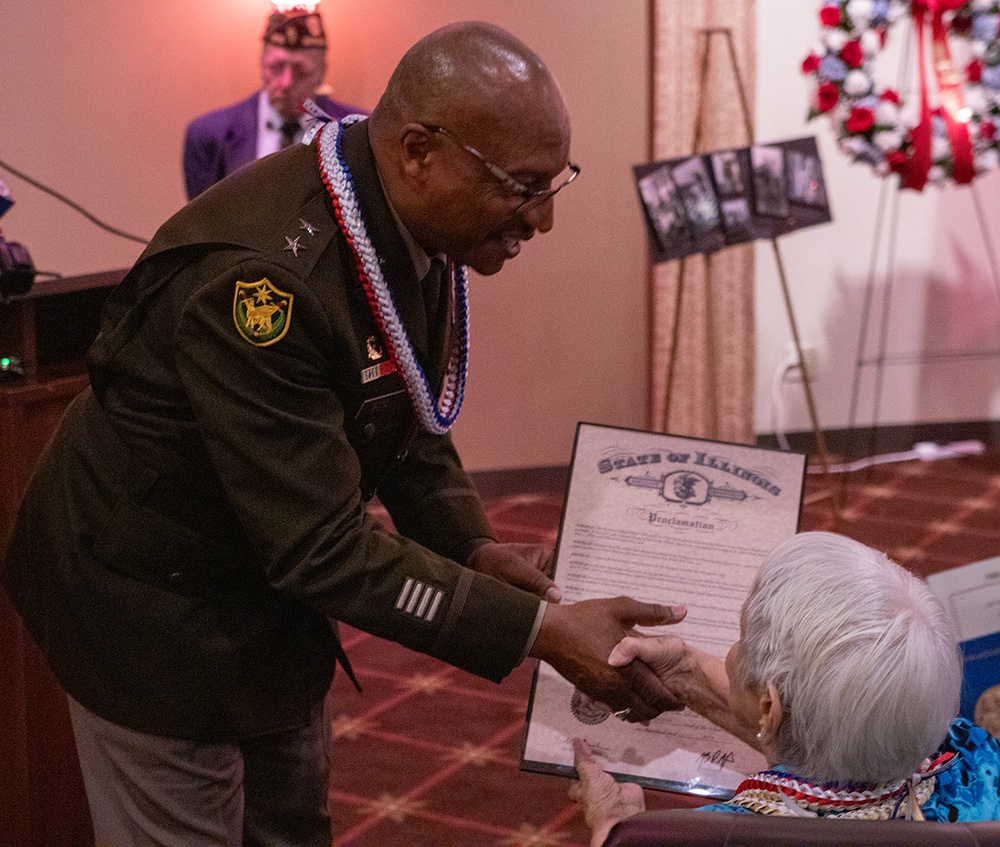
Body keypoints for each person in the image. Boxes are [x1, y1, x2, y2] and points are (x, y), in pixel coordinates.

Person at [1, 21, 686, 847]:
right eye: (521, 185)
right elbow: (322, 548)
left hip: (269, 594)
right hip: (154, 610)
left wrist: (472, 545)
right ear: (420, 151)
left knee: (290, 824)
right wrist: (540, 634)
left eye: (554, 184)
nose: (540, 219)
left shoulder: (395, 216)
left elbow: (406, 413)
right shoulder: (261, 284)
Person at [570, 532, 1000, 846]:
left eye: (741, 637)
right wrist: (687, 670)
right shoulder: (978, 758)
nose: (732, 651)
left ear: (769, 707)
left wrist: (614, 826)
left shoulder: (712, 837)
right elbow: (817, 721)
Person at [182, 5, 365, 200]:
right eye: (276, 67)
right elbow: (203, 224)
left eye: (301, 71)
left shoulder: (356, 133)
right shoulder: (208, 135)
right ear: (261, 64)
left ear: (321, 73)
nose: (286, 83)